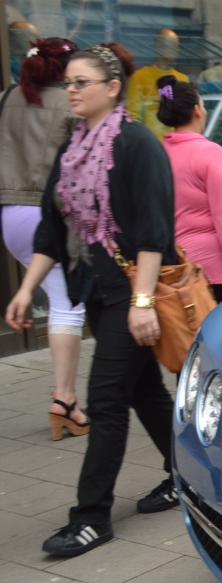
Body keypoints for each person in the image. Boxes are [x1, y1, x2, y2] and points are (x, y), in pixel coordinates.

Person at [5, 42, 180, 556]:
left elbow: (153, 233)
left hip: (132, 292)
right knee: (143, 390)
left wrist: (143, 303)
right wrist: (24, 288)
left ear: (111, 88)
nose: (72, 91)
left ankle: (91, 517)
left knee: (105, 401)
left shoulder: (136, 145)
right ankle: (188, 473)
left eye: (81, 82)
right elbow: (53, 230)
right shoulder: (72, 148)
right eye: (69, 83)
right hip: (98, 290)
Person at [0, 37, 90, 440]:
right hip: (47, 214)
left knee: (58, 301)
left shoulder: (8, 98)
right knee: (67, 307)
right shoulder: (69, 104)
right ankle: (66, 399)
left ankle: (66, 399)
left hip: (10, 215)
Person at [155, 76, 222, 300]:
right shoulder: (209, 151)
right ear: (197, 111)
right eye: (202, 104)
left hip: (170, 263)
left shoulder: (159, 152)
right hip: (207, 266)